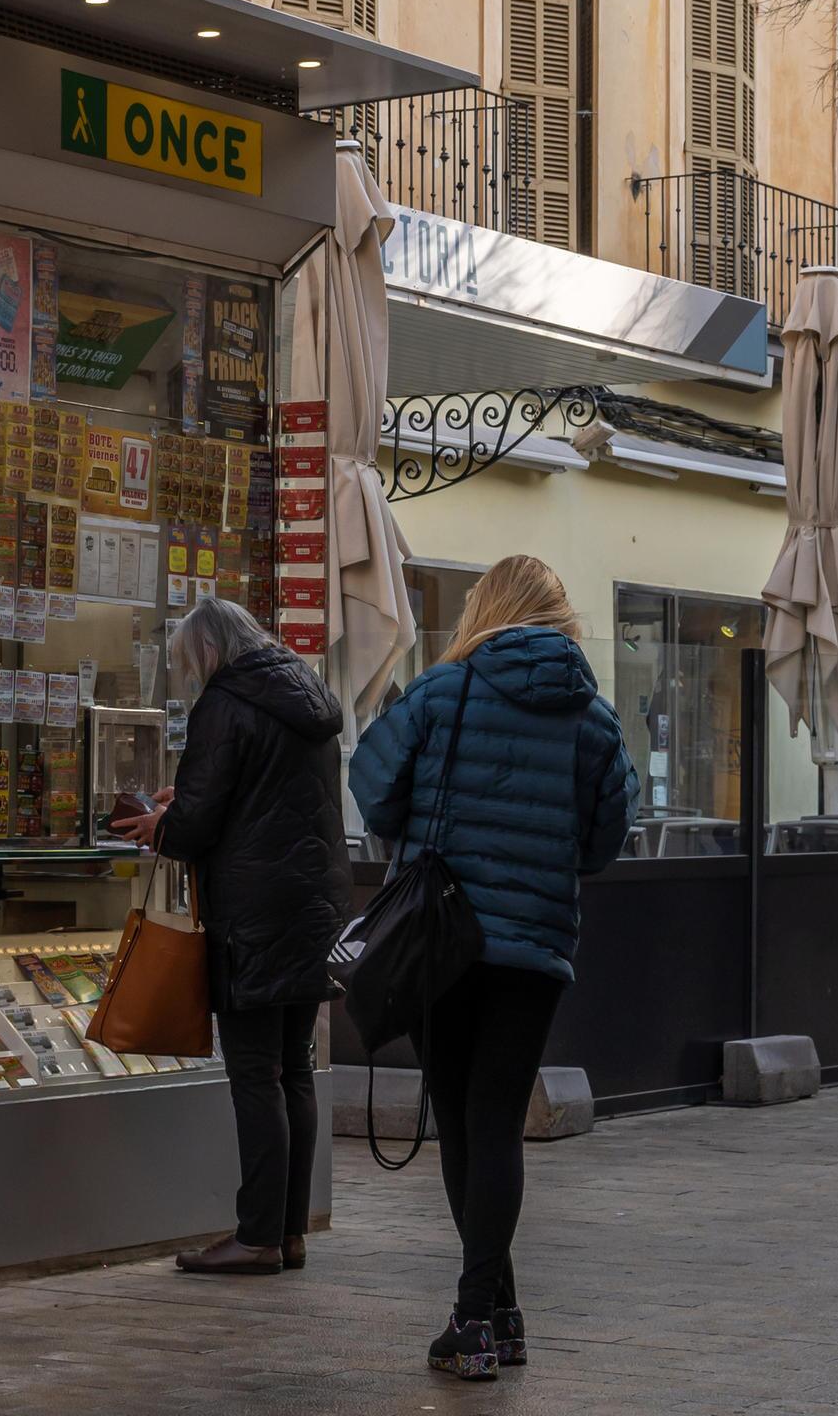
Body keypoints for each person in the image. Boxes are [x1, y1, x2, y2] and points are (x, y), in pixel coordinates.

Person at [349, 555, 635, 1382]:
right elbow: (604, 841)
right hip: (535, 947)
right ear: (558, 616)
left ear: (487, 609)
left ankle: (475, 1320)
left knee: (462, 1121)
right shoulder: (594, 717)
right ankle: (497, 1314)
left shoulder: (442, 691)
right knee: (497, 1119)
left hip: (439, 938)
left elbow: (373, 789)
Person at [111, 596, 349, 1277]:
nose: (192, 675)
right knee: (294, 1068)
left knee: (254, 1074)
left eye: (191, 662)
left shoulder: (226, 702)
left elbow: (197, 825)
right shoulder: (308, 697)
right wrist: (183, 803)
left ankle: (257, 1236)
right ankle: (289, 1230)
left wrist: (163, 822)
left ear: (211, 651)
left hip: (252, 914)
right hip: (311, 907)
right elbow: (265, 796)